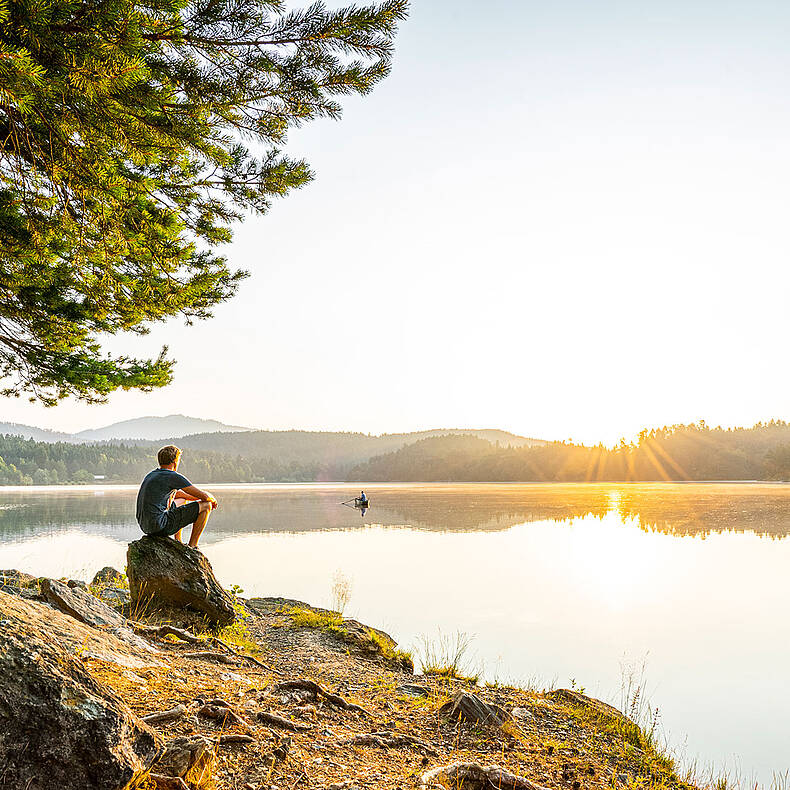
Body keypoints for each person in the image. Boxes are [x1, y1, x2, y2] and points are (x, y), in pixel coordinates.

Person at [136, 445, 217, 549]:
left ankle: (178, 540)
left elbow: (180, 495)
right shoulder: (172, 476)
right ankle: (193, 546)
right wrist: (211, 498)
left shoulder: (152, 474)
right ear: (175, 461)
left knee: (182, 500)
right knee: (207, 506)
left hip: (146, 526)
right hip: (160, 526)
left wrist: (196, 499)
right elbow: (205, 497)